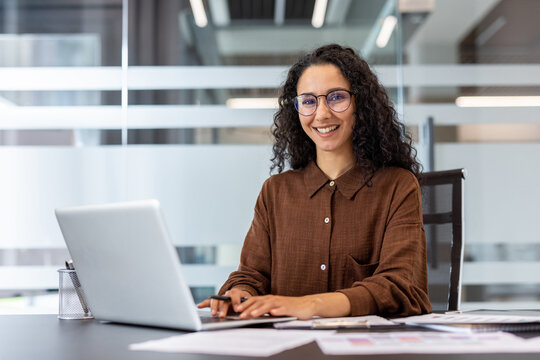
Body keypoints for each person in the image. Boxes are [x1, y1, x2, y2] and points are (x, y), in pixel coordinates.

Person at [198, 44, 432, 320]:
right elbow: (252, 275)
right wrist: (240, 292)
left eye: (336, 97)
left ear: (362, 103)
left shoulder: (397, 186)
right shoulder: (275, 192)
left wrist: (310, 304)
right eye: (308, 101)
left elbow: (400, 287)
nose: (321, 114)